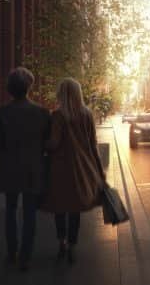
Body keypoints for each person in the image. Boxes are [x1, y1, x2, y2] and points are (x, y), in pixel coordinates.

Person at [0, 67, 51, 271]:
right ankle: (25, 256)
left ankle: (11, 252)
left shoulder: (2, 112)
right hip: (33, 168)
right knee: (30, 213)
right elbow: (47, 143)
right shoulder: (42, 113)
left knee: (10, 209)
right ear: (29, 87)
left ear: (9, 89)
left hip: (9, 168)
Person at [43, 78, 106, 264]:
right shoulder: (87, 114)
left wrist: (40, 144)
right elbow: (93, 144)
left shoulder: (58, 115)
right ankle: (72, 245)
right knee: (75, 208)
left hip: (61, 169)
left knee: (60, 207)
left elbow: (53, 143)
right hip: (82, 167)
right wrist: (99, 169)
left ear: (61, 93)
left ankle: (61, 242)